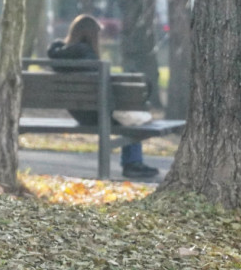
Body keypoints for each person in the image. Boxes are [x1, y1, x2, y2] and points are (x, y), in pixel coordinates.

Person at [47, 14, 159, 179]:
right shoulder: (89, 58)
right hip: (97, 114)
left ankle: (133, 163)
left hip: (79, 114)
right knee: (133, 121)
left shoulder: (58, 57)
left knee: (129, 118)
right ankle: (132, 164)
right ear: (93, 35)